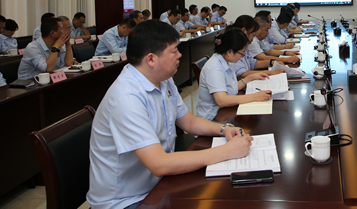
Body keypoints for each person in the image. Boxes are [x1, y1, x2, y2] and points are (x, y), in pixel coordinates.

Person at [87, 20, 254, 209]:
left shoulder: (163, 80)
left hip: (158, 184)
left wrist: (224, 129)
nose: (180, 55)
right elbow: (159, 164)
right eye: (174, 51)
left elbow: (189, 122)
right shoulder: (126, 97)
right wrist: (226, 152)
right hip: (127, 200)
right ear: (151, 59)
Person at [195, 28, 272, 121]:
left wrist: (249, 78)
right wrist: (254, 97)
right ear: (230, 52)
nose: (242, 56)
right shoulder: (214, 68)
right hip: (213, 118)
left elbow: (230, 87)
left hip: (225, 112)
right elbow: (222, 100)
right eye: (242, 53)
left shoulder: (227, 61)